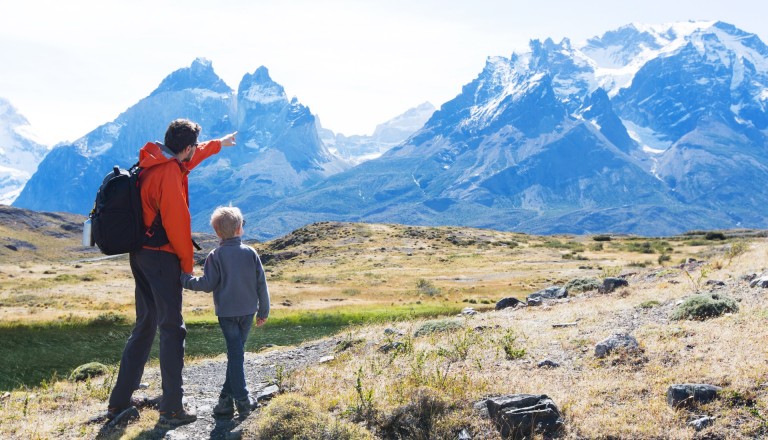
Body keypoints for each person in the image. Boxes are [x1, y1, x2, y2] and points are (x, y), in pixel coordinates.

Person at [106, 119, 237, 427]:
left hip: (139, 254)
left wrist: (218, 144)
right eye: (194, 148)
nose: (194, 153)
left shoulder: (152, 162)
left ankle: (119, 403)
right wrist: (187, 268)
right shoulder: (168, 173)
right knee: (172, 329)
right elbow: (178, 225)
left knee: (146, 325)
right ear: (186, 148)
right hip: (162, 258)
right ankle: (172, 409)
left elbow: (194, 156)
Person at [180, 206, 270, 417]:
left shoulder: (215, 255)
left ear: (217, 232)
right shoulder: (251, 253)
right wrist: (263, 310)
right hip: (249, 312)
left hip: (227, 314)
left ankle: (239, 400)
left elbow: (207, 284)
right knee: (236, 355)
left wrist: (184, 279)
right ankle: (228, 402)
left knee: (235, 355)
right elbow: (261, 284)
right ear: (240, 229)